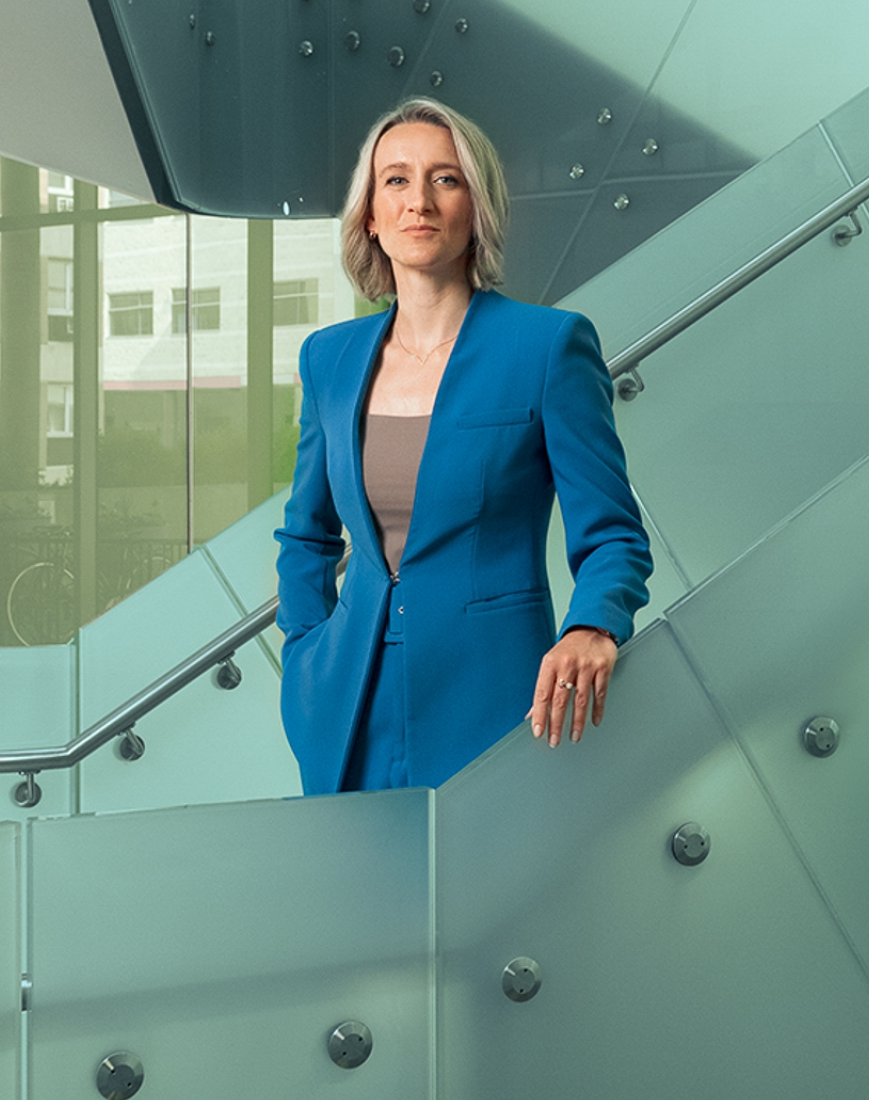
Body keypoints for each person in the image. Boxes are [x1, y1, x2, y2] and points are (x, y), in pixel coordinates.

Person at [274, 98, 653, 794]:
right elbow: (306, 536)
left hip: (495, 704)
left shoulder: (546, 347)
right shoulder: (328, 358)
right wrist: (303, 652)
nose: (418, 199)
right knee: (357, 902)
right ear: (370, 214)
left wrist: (593, 625)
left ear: (476, 205)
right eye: (396, 180)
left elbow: (614, 535)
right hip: (344, 706)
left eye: (444, 179)